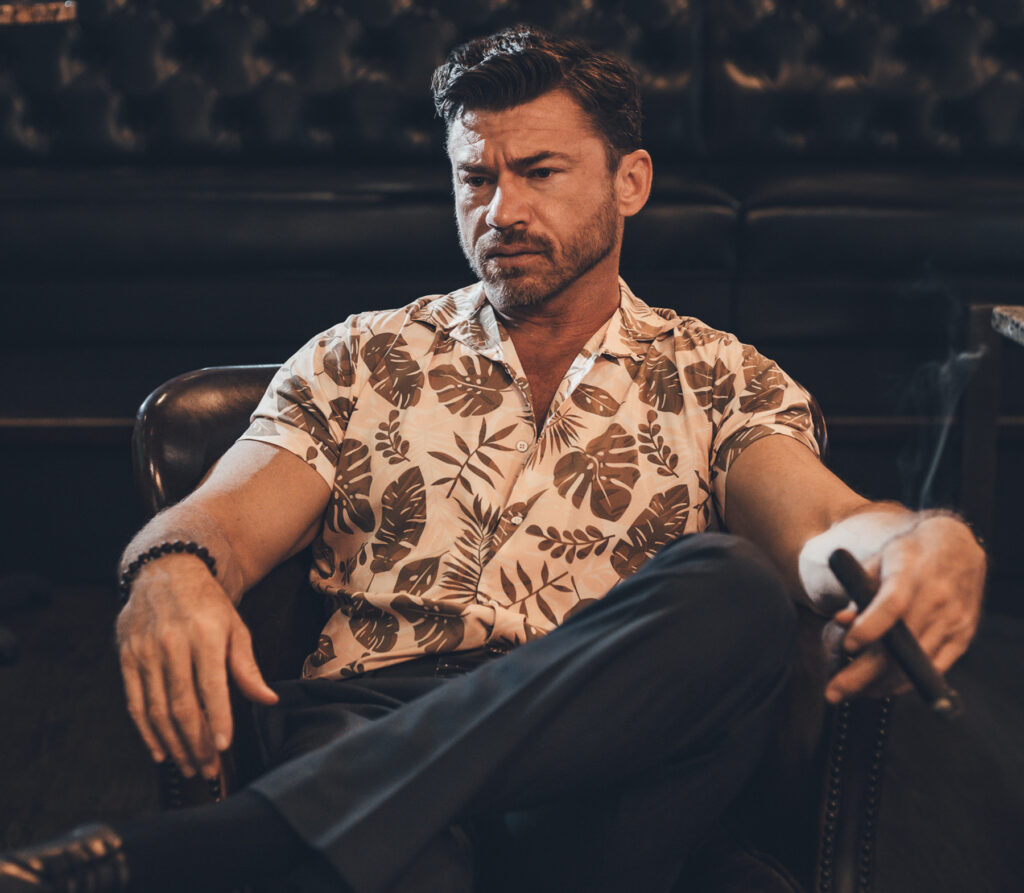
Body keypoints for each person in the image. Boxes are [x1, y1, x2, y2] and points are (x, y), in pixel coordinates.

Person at [1, 26, 985, 893]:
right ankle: (322, 817)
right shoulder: (362, 356)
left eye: (540, 171)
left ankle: (238, 839)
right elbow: (224, 513)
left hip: (601, 765)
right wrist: (169, 567)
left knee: (733, 586)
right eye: (476, 177)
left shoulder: (718, 373)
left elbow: (820, 523)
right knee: (394, 846)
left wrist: (914, 541)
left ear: (627, 181)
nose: (500, 209)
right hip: (375, 709)